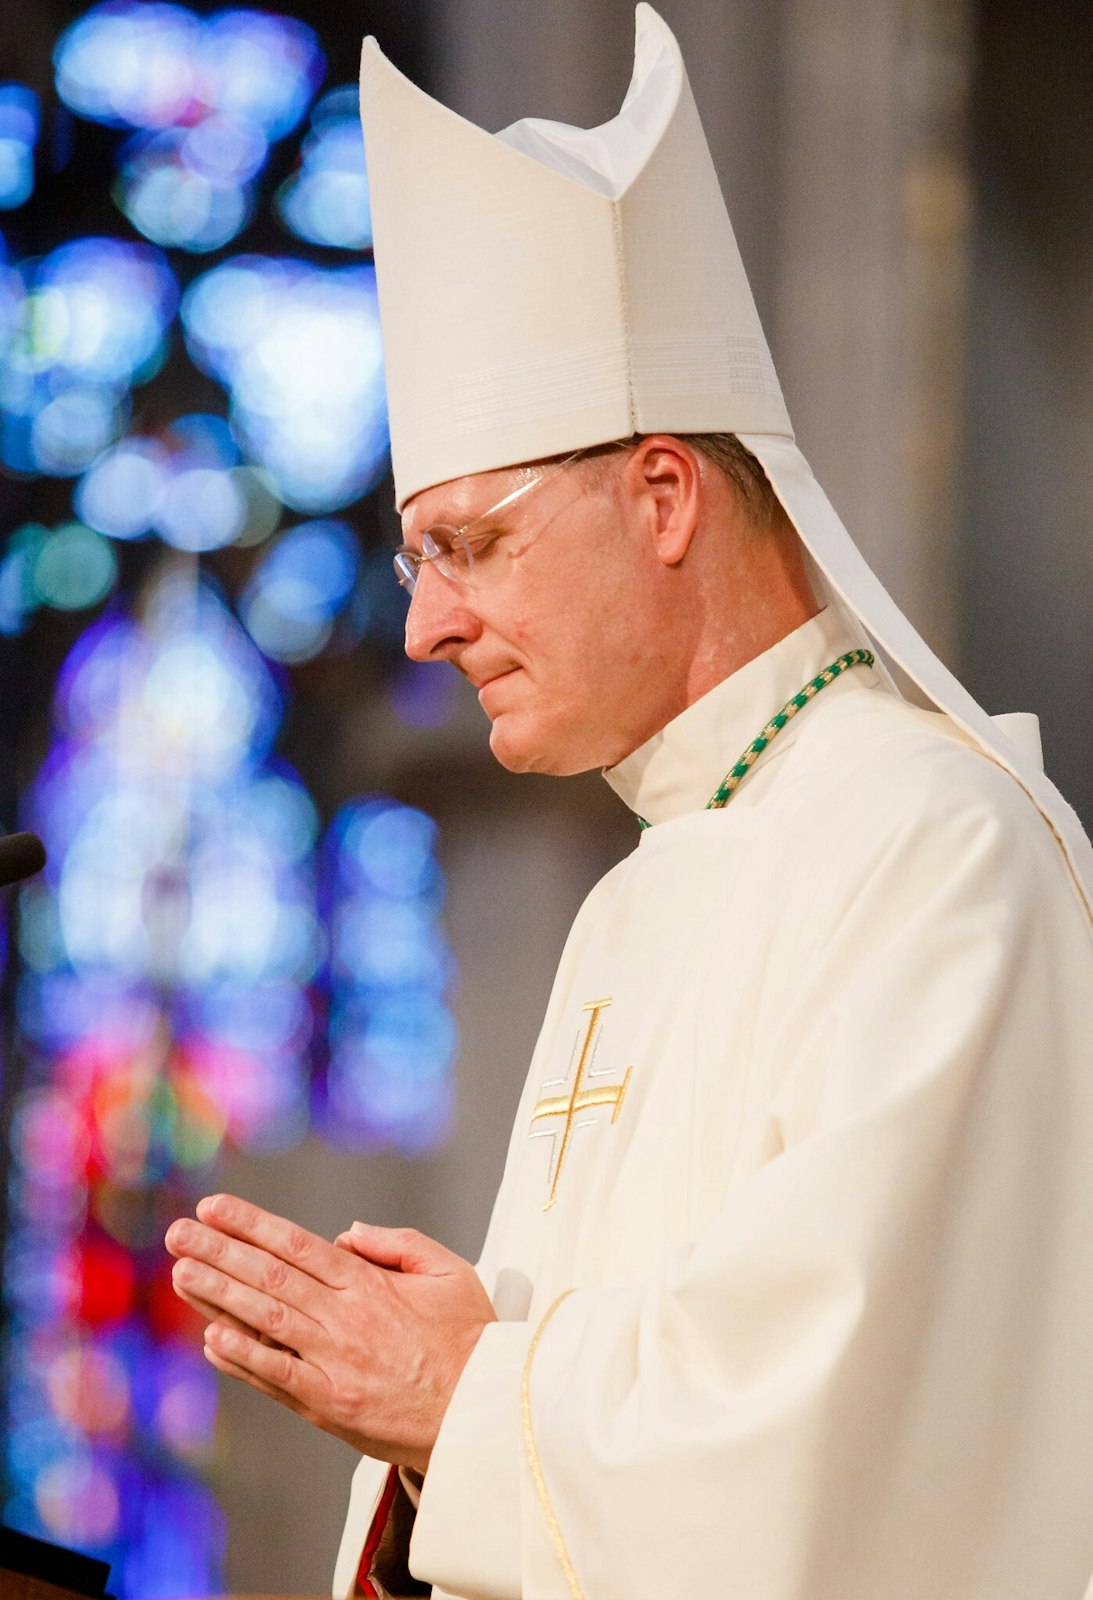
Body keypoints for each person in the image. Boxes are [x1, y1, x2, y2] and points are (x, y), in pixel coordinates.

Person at [165, 9, 1093, 1599]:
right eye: (414, 561)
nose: (422, 629)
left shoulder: (931, 847)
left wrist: (455, 1391)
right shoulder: (640, 891)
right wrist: (435, 1410)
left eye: (468, 546)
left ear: (662, 494)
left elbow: (852, 1436)